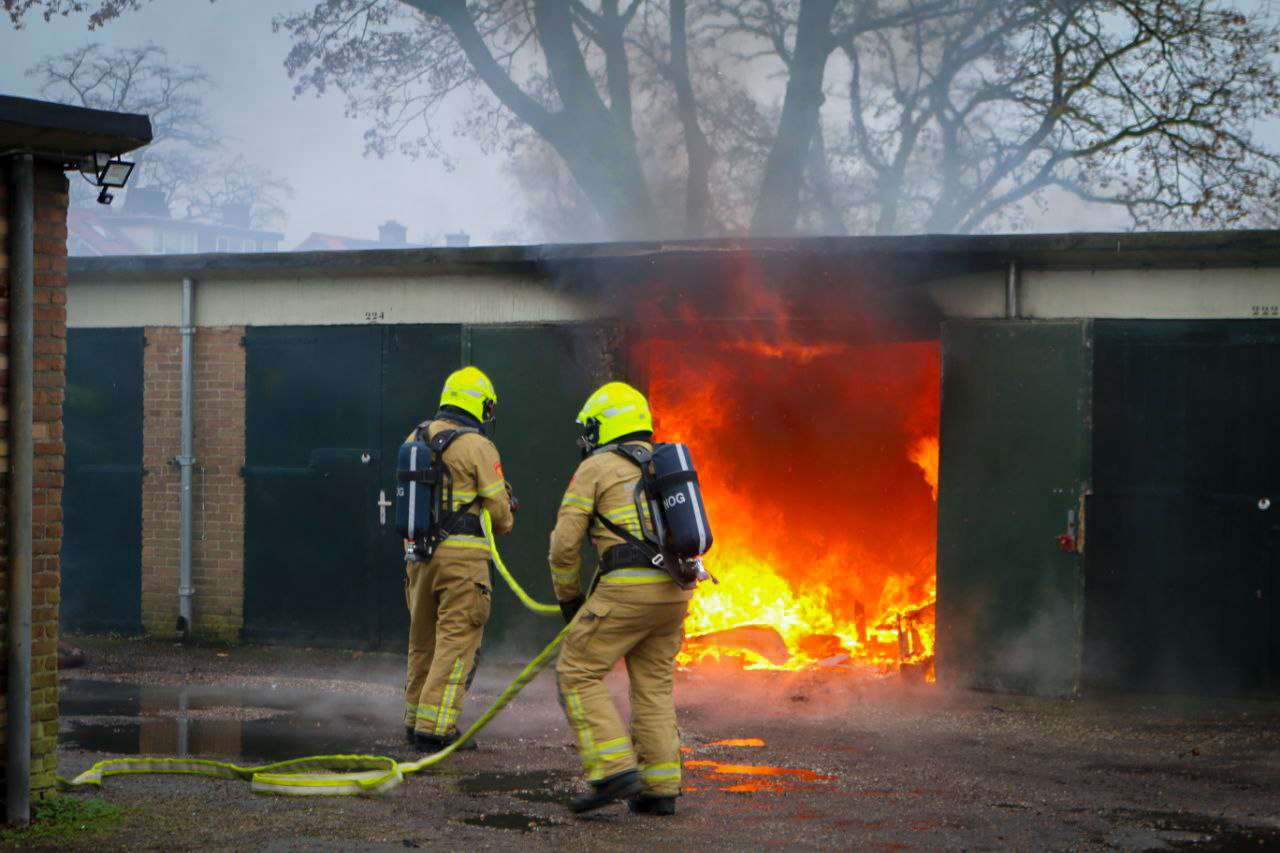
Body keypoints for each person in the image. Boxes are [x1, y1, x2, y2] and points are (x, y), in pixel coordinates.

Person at [548, 381, 693, 815]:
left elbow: (563, 544)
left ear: (606, 425)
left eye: (591, 427)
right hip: (674, 594)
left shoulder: (597, 467)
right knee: (653, 686)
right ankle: (659, 788)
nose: (587, 438)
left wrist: (569, 600)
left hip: (626, 592)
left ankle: (612, 769)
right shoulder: (663, 465)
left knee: (576, 672)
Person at [403, 366, 514, 752]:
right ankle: (437, 729)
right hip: (462, 563)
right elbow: (500, 518)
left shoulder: (415, 436)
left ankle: (415, 719)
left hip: (418, 558)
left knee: (423, 642)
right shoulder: (478, 447)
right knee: (456, 643)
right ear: (478, 404)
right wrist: (501, 504)